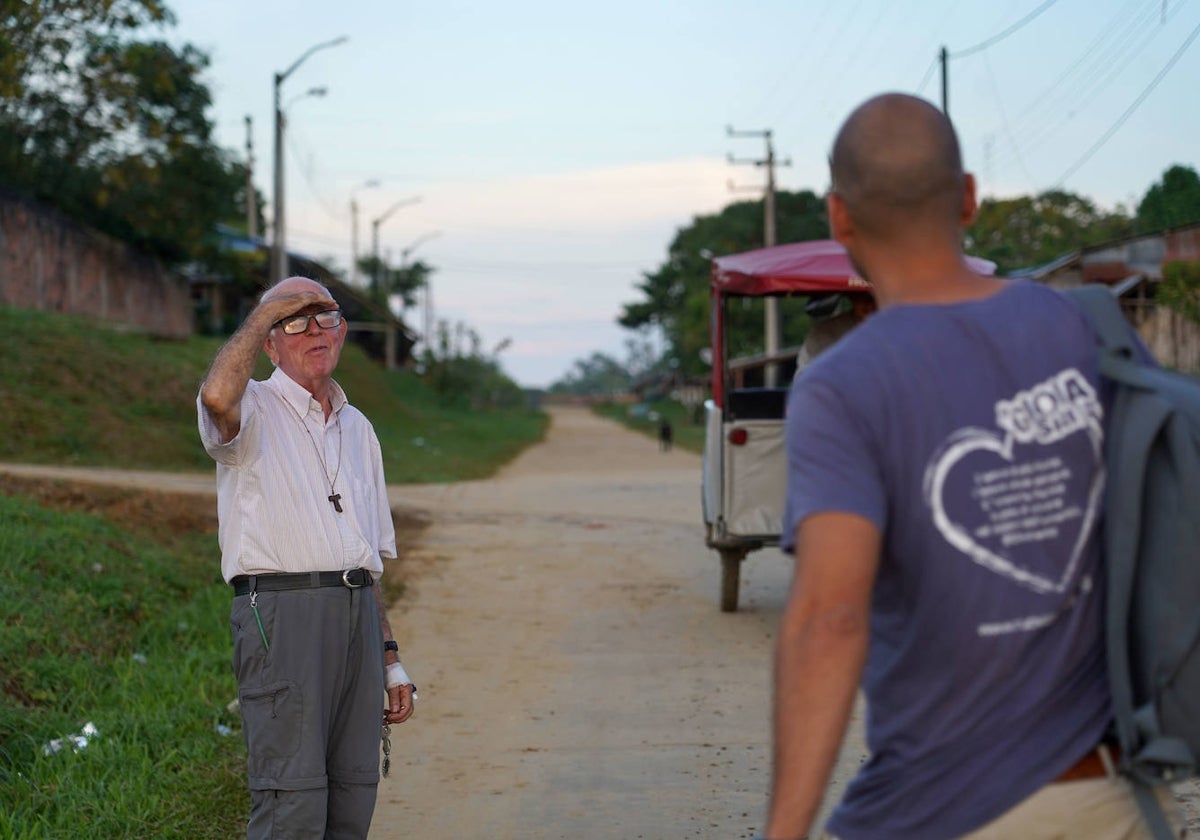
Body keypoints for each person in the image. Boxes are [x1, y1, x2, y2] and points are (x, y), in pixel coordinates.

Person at [765, 94, 1182, 840]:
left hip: (935, 813)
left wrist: (784, 829)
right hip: (1110, 799)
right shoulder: (1088, 330)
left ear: (839, 216)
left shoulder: (841, 383)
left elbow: (829, 617)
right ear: (967, 197)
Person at [197, 276, 416, 840]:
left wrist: (389, 655)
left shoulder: (359, 428)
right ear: (269, 343)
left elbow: (366, 556)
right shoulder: (252, 409)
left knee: (353, 793)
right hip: (283, 615)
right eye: (294, 320)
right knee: (291, 800)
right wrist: (265, 310)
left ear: (343, 330)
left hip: (357, 618)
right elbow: (216, 397)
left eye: (325, 316)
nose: (313, 329)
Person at [792, 292, 876, 380]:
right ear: (852, 297)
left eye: (875, 296)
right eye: (863, 297)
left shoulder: (890, 329)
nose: (870, 304)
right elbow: (805, 379)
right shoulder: (824, 332)